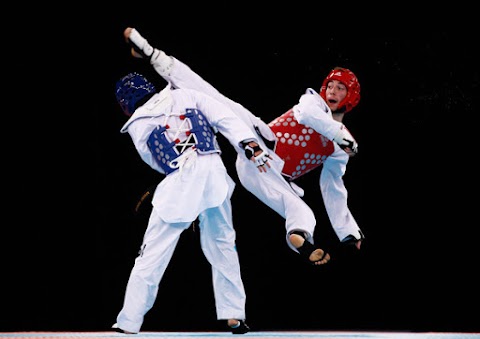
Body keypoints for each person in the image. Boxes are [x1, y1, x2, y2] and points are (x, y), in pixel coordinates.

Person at [123, 27, 362, 267]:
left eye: (340, 88)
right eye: (330, 86)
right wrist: (337, 133)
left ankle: (301, 237)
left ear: (350, 96)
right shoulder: (314, 103)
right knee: (214, 97)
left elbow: (333, 187)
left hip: (268, 174)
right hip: (259, 138)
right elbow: (309, 115)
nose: (332, 91)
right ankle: (154, 55)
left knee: (302, 211)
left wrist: (348, 232)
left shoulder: (341, 148)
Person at [111, 68, 274, 334]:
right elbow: (225, 117)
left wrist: (187, 193)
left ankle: (129, 321)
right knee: (222, 244)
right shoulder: (187, 94)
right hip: (214, 174)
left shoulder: (138, 124)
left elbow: (156, 161)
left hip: (182, 183)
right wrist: (247, 141)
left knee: (153, 251)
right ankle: (235, 315)